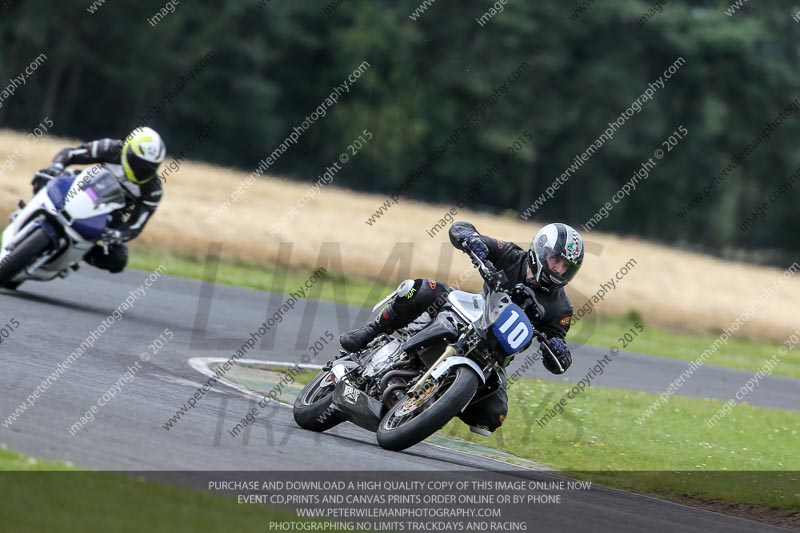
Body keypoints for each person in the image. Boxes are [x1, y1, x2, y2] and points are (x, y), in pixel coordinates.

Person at [339, 221, 584, 435]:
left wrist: (558, 349)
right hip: (469, 313)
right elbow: (460, 228)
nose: (559, 270)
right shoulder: (511, 255)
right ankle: (371, 332)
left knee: (493, 416)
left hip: (495, 358)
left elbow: (558, 359)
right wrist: (472, 241)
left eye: (567, 267)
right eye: (556, 260)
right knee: (423, 288)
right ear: (541, 250)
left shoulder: (562, 309)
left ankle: (438, 401)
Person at [32, 127, 166, 274]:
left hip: (109, 213)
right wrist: (55, 167)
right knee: (45, 177)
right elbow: (70, 153)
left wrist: (119, 235)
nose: (144, 169)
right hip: (80, 186)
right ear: (128, 151)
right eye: (140, 163)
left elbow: (136, 224)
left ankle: (77, 255)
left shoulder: (153, 189)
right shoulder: (111, 148)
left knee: (118, 260)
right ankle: (32, 213)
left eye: (151, 166)